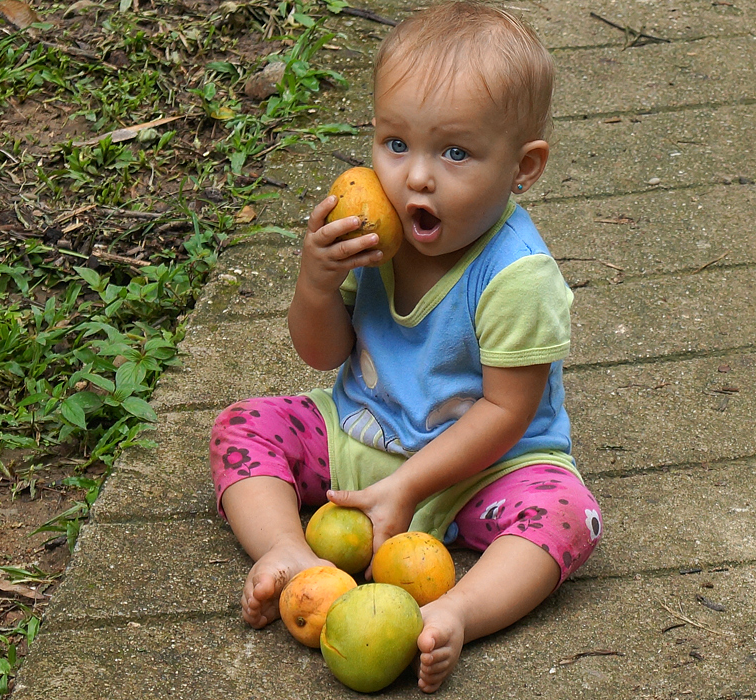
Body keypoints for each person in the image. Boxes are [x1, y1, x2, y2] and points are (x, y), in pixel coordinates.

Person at [209, 2, 602, 692]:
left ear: (523, 167)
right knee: (247, 424)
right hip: (360, 435)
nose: (414, 177)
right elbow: (323, 355)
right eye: (396, 144)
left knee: (567, 515)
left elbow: (507, 412)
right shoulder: (371, 233)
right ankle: (290, 556)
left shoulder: (516, 276)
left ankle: (456, 612)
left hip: (480, 468)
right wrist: (316, 282)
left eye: (454, 152)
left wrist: (410, 487)